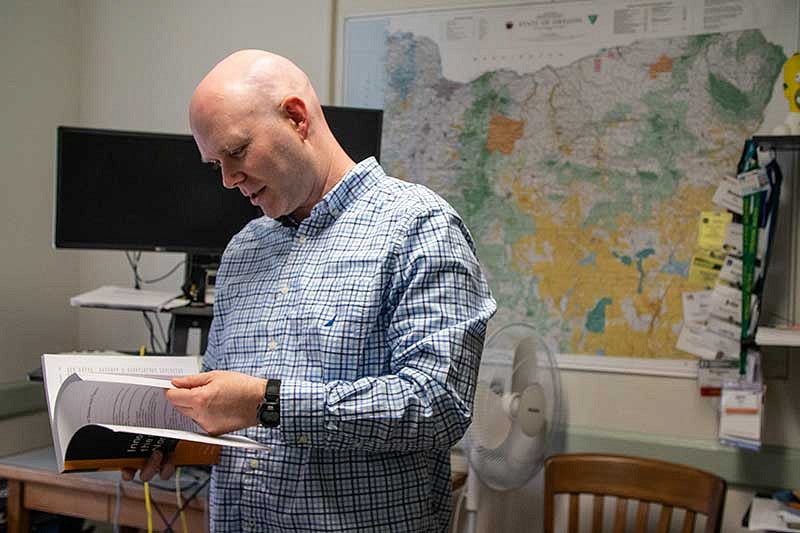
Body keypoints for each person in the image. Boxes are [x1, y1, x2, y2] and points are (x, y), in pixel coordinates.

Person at [124, 49, 496, 532]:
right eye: (214, 164)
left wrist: (268, 401)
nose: (228, 180)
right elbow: (226, 405)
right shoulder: (244, 249)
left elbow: (437, 405)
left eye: (236, 153)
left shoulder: (418, 226)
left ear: (296, 117)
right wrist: (172, 439)